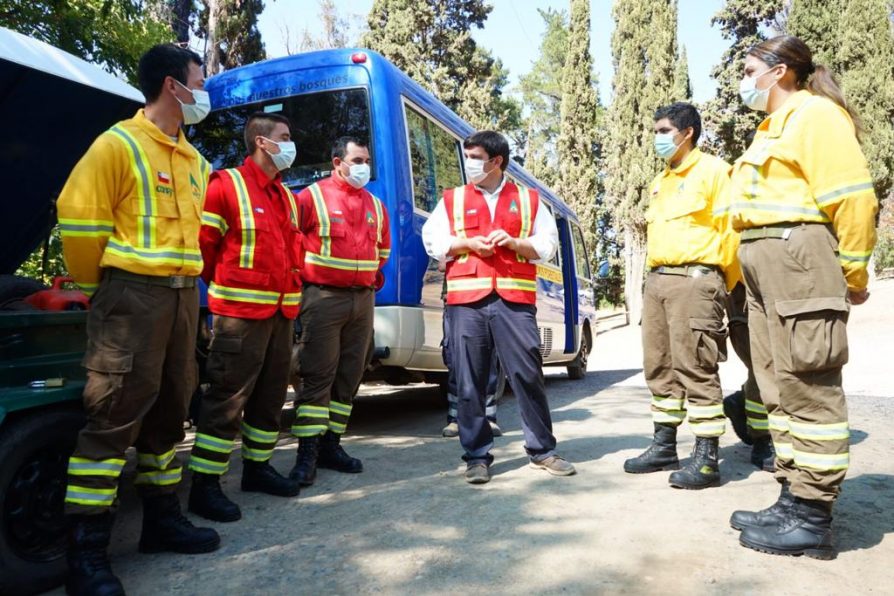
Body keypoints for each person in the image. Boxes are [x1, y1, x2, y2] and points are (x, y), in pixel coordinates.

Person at [55, 44, 218, 595]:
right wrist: (101, 291)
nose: (205, 88)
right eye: (201, 78)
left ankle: (161, 521)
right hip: (129, 296)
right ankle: (87, 552)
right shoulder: (117, 144)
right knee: (113, 416)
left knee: (172, 409)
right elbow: (78, 220)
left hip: (180, 297)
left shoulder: (194, 161)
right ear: (175, 85)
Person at [727, 35, 878, 559]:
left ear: (782, 71)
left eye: (750, 69)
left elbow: (854, 199)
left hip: (797, 254)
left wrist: (853, 273)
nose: (743, 79)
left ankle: (814, 515)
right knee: (777, 386)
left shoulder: (815, 116)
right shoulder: (771, 127)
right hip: (765, 261)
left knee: (808, 382)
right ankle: (794, 495)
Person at [421, 130, 575, 484]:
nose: (469, 163)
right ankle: (476, 455)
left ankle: (542, 450)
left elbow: (547, 245)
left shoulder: (529, 200)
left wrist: (515, 241)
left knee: (527, 373)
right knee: (469, 380)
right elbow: (434, 240)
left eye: (475, 157)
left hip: (514, 301)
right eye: (468, 156)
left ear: (497, 161)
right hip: (466, 303)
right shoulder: (453, 200)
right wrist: (468, 243)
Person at [186, 112, 303, 522]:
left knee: (271, 399)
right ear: (261, 141)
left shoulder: (286, 196)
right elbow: (205, 249)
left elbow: (293, 256)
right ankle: (205, 485)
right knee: (226, 399)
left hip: (281, 315)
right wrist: (229, 288)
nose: (291, 144)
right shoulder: (226, 185)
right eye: (284, 137)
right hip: (239, 316)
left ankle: (257, 469)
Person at [623, 102, 738, 490]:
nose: (657, 138)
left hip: (696, 279)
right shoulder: (661, 181)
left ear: (686, 132)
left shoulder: (714, 171)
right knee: (659, 366)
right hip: (658, 281)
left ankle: (706, 459)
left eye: (663, 130)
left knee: (695, 366)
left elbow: (731, 230)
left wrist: (721, 283)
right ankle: (664, 445)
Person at [288, 137, 391, 486]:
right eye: (357, 159)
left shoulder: (376, 205)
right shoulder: (311, 197)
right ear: (338, 163)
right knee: (317, 375)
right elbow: (291, 243)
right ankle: (307, 454)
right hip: (322, 298)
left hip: (362, 300)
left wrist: (369, 281)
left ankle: (332, 445)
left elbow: (384, 250)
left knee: (350, 375)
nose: (364, 166)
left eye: (366, 159)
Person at [439, 265, 502, 438]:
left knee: (487, 360)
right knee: (455, 360)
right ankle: (455, 419)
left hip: (487, 298)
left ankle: (488, 417)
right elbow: (440, 261)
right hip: (456, 298)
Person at [723, 281, 775, 472]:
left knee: (780, 364)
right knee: (764, 366)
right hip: (747, 285)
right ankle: (763, 437)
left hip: (783, 282)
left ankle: (741, 402)